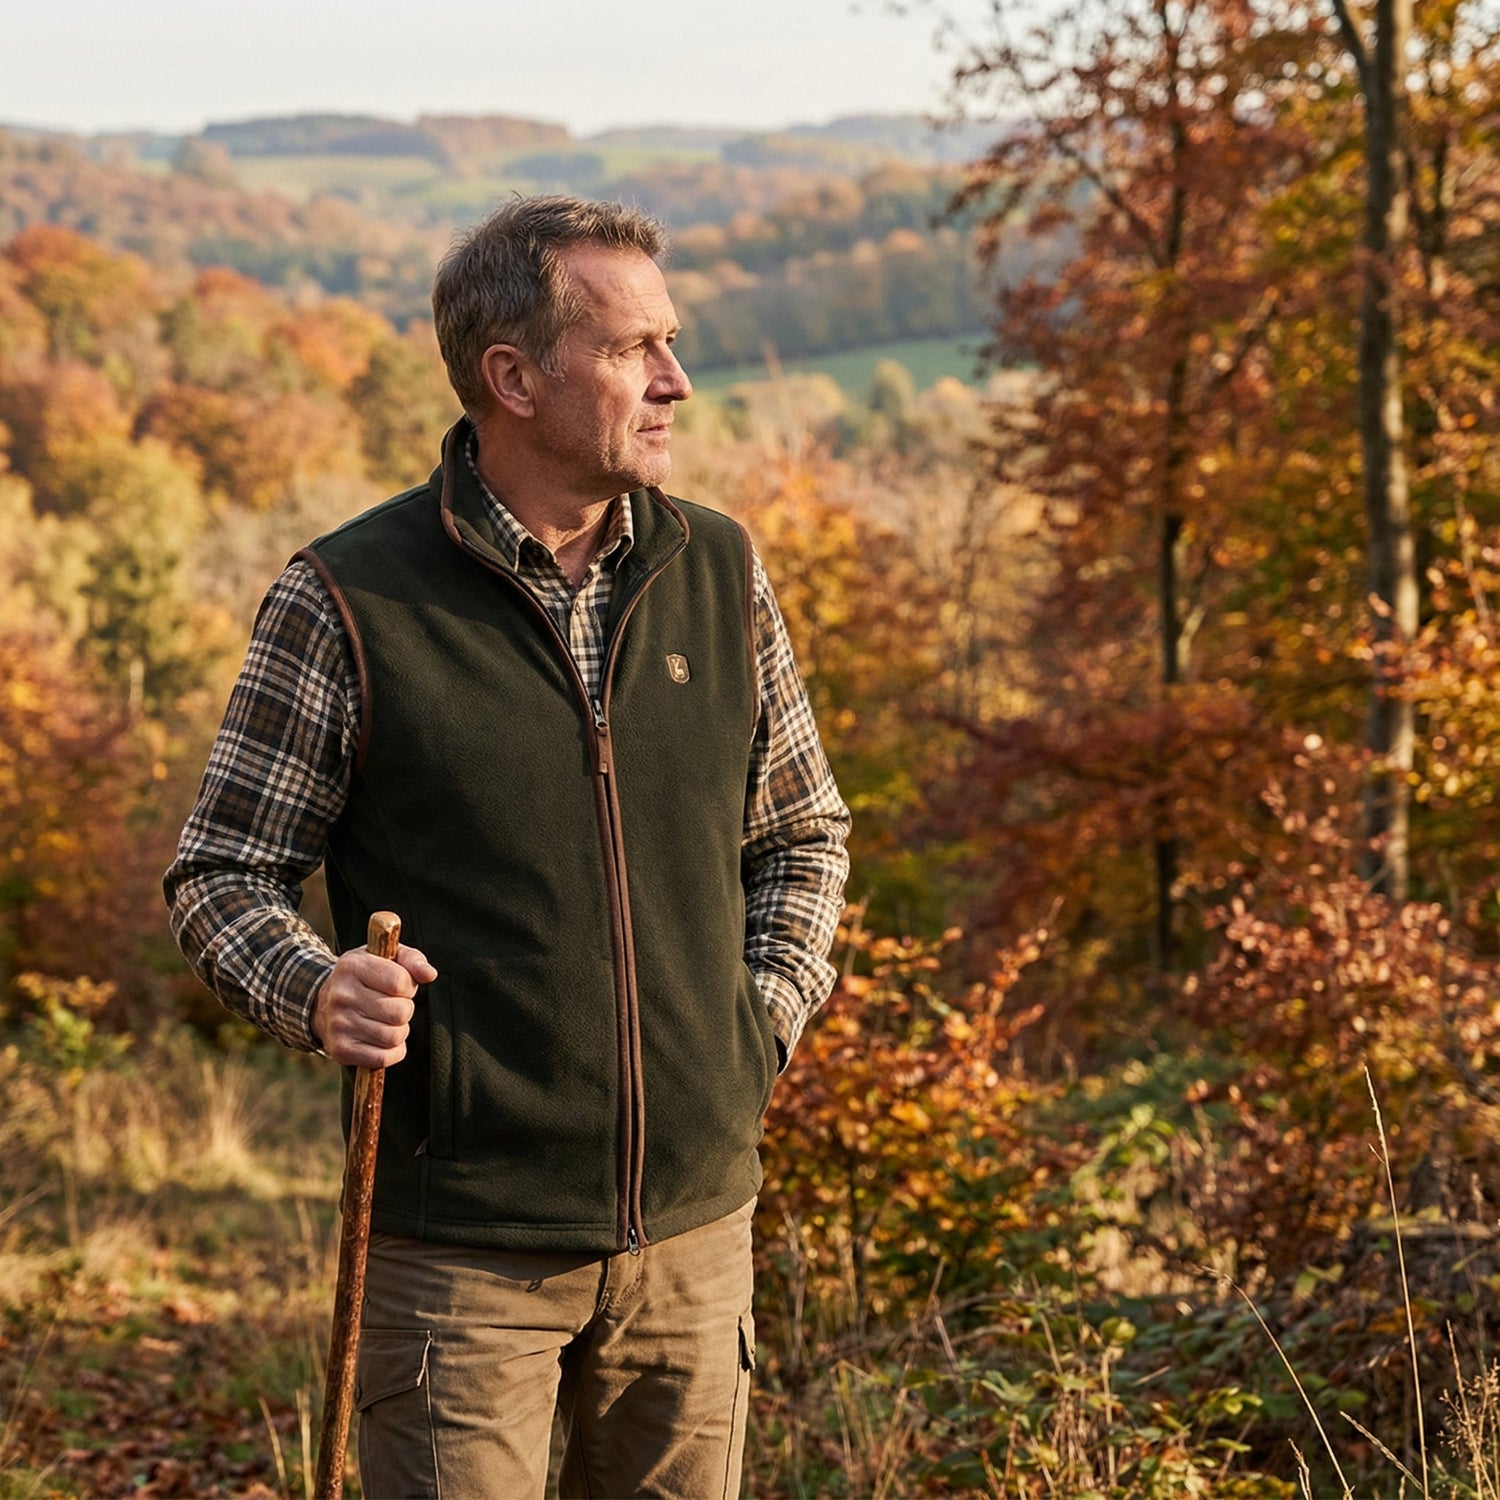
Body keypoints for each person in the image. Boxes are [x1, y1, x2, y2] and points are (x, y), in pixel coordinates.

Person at [164, 194, 851, 1499]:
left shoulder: (720, 567)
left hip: (698, 1245)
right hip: (458, 1264)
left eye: (673, 342)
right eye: (635, 349)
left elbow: (802, 834)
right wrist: (313, 987)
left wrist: (749, 1028)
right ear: (513, 378)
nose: (677, 380)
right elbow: (220, 872)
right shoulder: (348, 600)